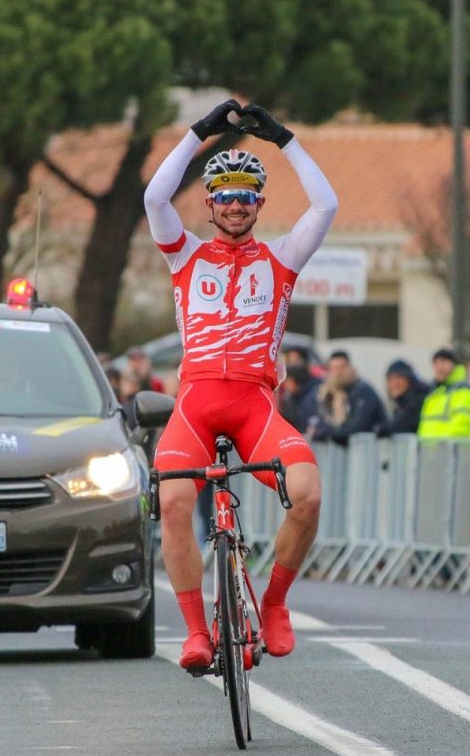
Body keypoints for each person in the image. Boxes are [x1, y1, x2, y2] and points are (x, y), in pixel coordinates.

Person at [143, 98, 336, 669]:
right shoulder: (184, 256)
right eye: (223, 196)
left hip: (254, 403)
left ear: (258, 203)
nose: (233, 205)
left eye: (244, 196)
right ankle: (197, 633)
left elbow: (326, 204)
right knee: (175, 503)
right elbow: (155, 197)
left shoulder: (282, 258)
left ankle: (274, 603)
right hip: (196, 402)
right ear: (209, 204)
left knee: (308, 494)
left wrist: (284, 139)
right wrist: (200, 132)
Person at [309, 350, 386, 445]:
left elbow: (359, 427)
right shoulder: (328, 393)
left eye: (342, 367)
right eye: (334, 368)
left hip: (369, 451)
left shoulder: (363, 391)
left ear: (350, 368)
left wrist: (330, 432)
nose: (338, 373)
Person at [418, 348, 470, 440]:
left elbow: (462, 427)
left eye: (443, 362)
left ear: (454, 364)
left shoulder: (464, 392)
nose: (439, 367)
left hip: (451, 452)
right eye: (436, 363)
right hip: (430, 452)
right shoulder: (433, 395)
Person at [375, 359, 429, 437]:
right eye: (390, 379)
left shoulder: (419, 399)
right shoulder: (401, 404)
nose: (394, 383)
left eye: (398, 378)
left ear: (409, 380)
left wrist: (381, 430)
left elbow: (401, 424)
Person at [277, 364, 320, 434]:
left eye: (286, 382)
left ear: (292, 381)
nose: (284, 385)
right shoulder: (295, 396)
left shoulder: (309, 399)